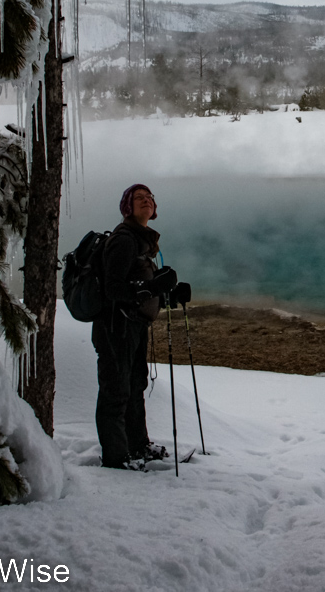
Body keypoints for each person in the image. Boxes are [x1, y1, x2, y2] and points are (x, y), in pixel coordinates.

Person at [93, 183, 187, 470]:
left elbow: (140, 287)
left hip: (132, 325)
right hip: (116, 326)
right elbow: (114, 288)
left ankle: (137, 446)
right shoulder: (124, 240)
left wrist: (167, 294)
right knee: (117, 387)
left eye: (149, 198)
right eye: (138, 198)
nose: (146, 201)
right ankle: (116, 456)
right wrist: (150, 287)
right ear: (128, 208)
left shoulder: (143, 241)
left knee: (135, 384)